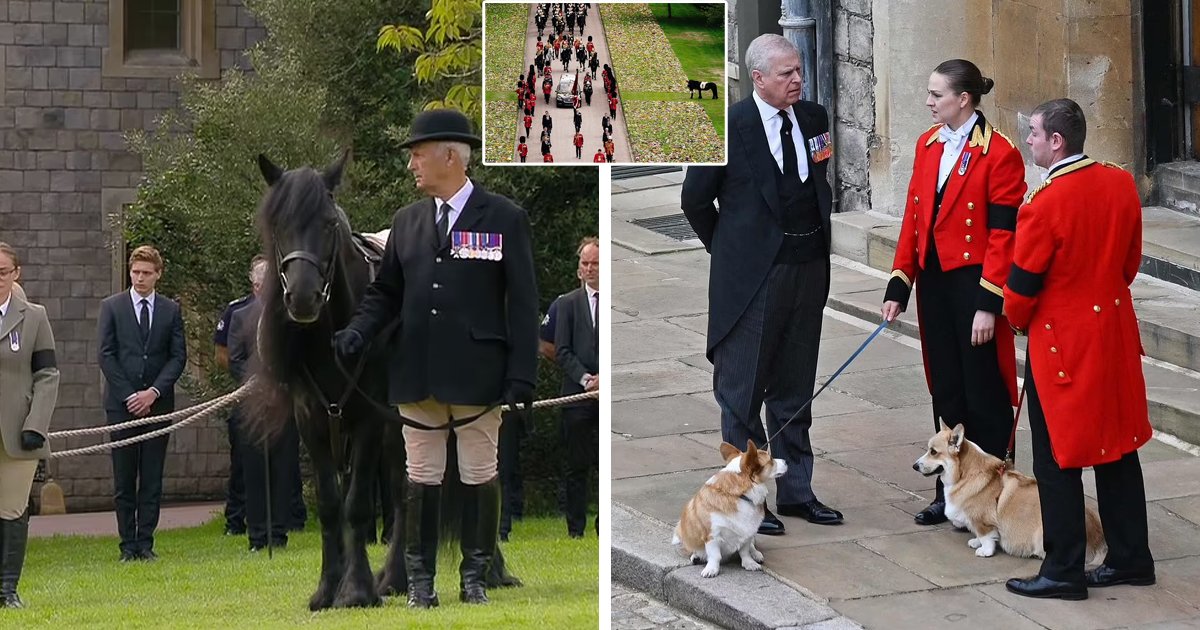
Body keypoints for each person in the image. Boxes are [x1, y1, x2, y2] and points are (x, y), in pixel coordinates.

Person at [332, 109, 538, 608]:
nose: (412, 167)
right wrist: (358, 330)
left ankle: (475, 576)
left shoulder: (504, 218)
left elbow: (524, 302)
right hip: (416, 373)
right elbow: (385, 292)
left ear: (451, 156)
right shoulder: (407, 222)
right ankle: (420, 583)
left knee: (477, 473)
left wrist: (522, 375)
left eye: (418, 155)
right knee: (420, 477)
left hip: (478, 375)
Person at [680, 34, 840, 534]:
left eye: (799, 70)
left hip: (807, 268)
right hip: (752, 281)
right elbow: (695, 202)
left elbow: (818, 180)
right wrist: (732, 254)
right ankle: (748, 500)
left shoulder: (813, 119)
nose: (798, 79)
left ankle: (796, 492)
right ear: (759, 79)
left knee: (794, 389)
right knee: (743, 393)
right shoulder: (728, 129)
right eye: (786, 73)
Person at [1003, 99, 1155, 600]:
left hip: (1063, 346)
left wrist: (1019, 320)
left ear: (1057, 142)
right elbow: (1129, 263)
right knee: (1117, 450)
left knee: (1056, 461)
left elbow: (1020, 293)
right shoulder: (1119, 182)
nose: (1029, 140)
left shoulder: (1042, 202)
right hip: (1112, 335)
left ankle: (1063, 569)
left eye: (1034, 133)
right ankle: (1132, 557)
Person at [880, 59, 1024, 526]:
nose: (928, 102)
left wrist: (989, 304)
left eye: (937, 94)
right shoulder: (927, 144)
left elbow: (1004, 235)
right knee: (945, 385)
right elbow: (915, 219)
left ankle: (997, 491)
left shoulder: (999, 152)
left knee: (982, 389)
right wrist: (900, 282)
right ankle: (952, 490)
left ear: (964, 99)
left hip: (975, 284)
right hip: (936, 284)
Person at [98, 245, 187, 561]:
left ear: (157, 274)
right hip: (122, 406)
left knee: (151, 476)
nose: (139, 278)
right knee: (124, 477)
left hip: (158, 406)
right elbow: (106, 355)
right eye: (135, 272)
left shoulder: (170, 310)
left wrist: (153, 393)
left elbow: (178, 357)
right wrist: (129, 395)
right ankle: (127, 545)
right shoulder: (112, 307)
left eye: (146, 273)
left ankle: (145, 543)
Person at [228, 259, 303, 552]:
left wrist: (282, 386)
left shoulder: (290, 317)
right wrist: (259, 387)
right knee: (255, 473)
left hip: (284, 407)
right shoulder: (240, 315)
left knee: (283, 471)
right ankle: (257, 535)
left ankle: (279, 533)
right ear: (256, 286)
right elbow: (235, 359)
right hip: (252, 408)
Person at [0, 244, 59, 608]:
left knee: (10, 509)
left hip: (17, 434)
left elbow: (48, 374)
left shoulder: (34, 317)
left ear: (16, 274)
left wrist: (36, 423)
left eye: (3, 272)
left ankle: (7, 590)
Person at [555, 237, 600, 538]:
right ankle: (576, 528)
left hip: (607, 395)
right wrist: (587, 380)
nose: (589, 269)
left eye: (595, 263)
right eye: (585, 263)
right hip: (577, 394)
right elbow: (561, 350)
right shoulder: (567, 303)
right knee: (576, 465)